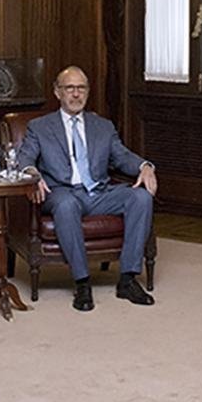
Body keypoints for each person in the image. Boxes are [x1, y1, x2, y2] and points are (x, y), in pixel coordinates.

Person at [16, 66, 157, 311]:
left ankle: (128, 279)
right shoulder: (39, 127)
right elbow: (24, 158)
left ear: (88, 92)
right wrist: (32, 174)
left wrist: (144, 166)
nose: (76, 94)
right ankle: (82, 283)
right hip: (61, 192)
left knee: (141, 198)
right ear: (57, 92)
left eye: (81, 88)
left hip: (99, 192)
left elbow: (121, 156)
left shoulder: (102, 126)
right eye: (69, 88)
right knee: (67, 204)